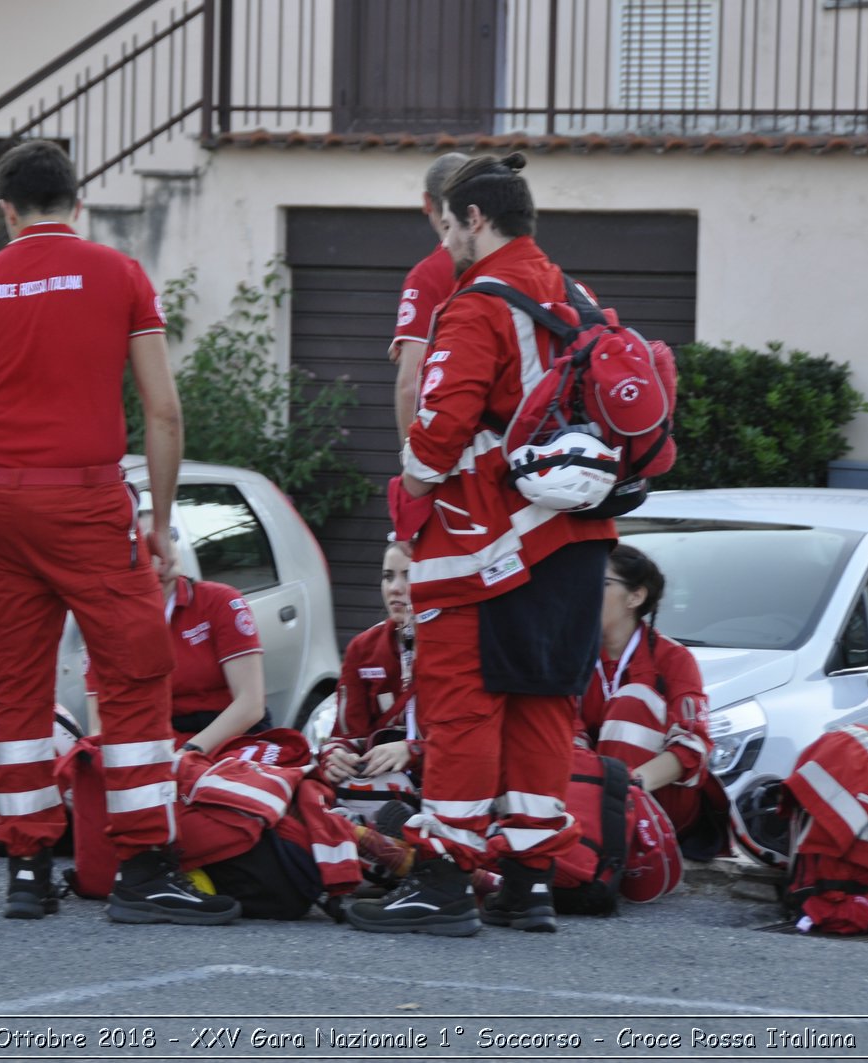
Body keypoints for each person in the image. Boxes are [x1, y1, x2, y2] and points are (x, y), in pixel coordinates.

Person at [0, 138, 237, 926]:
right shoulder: (118, 274)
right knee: (132, 673)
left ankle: (26, 864)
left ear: (7, 209)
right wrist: (157, 519)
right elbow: (163, 410)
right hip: (86, 503)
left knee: (18, 685)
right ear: (77, 202)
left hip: (3, 506)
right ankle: (142, 862)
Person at [347, 153, 620, 937]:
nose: (445, 244)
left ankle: (441, 876)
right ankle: (530, 880)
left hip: (483, 546)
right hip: (579, 540)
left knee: (462, 708)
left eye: (448, 226)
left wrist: (413, 487)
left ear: (473, 218)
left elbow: (436, 436)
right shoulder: (580, 296)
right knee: (543, 707)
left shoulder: (475, 305)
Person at [579, 544, 715, 839]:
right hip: (586, 797)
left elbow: (693, 749)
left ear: (636, 596)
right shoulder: (571, 655)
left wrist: (624, 788)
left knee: (633, 701)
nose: (584, 591)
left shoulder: (674, 659)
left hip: (657, 799)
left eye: (600, 583)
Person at [90, 573, 268, 754]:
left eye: (169, 542)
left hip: (231, 736)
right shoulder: (108, 625)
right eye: (149, 548)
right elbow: (99, 729)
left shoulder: (219, 600)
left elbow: (251, 705)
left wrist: (188, 752)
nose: (164, 555)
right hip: (160, 743)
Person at [320, 539, 420, 791]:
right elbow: (346, 736)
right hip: (380, 788)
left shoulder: (458, 648)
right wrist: (337, 757)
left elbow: (472, 741)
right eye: (388, 577)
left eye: (409, 576)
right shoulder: (362, 648)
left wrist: (414, 750)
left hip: (445, 787)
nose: (395, 588)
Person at [389, 152, 468, 443]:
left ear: (426, 202)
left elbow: (411, 385)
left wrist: (411, 464)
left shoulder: (428, 276)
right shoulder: (524, 267)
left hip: (454, 455)